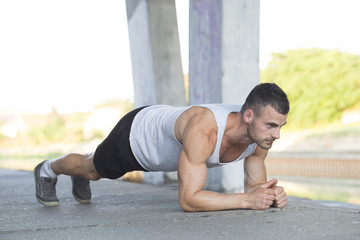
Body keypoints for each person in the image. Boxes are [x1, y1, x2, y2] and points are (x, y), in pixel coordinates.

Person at [34, 83, 289, 212]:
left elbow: (256, 188)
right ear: (247, 116)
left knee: (92, 169)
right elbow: (189, 200)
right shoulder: (205, 128)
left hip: (161, 124)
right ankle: (48, 169)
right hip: (137, 136)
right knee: (92, 169)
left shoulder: (260, 137)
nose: (276, 135)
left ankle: (75, 174)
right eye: (271, 126)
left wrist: (270, 196)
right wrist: (246, 200)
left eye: (280, 126)